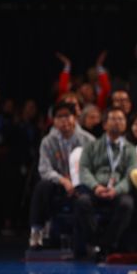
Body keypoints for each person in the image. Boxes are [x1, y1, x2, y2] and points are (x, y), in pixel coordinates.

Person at [75, 107, 137, 260]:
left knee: (127, 205)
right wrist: (96, 186)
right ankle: (95, 242)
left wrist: (116, 190)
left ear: (125, 125)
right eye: (113, 118)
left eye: (121, 119)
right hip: (96, 188)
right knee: (82, 202)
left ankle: (105, 244)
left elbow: (131, 174)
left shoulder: (130, 149)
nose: (117, 122)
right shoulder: (92, 146)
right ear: (104, 124)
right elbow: (84, 170)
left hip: (118, 191)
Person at [29, 101, 93, 249]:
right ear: (54, 120)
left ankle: (88, 239)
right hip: (58, 184)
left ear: (75, 118)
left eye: (67, 116)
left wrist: (78, 179)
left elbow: (94, 166)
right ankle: (37, 230)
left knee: (86, 196)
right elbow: (44, 169)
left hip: (82, 183)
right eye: (59, 116)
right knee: (42, 186)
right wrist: (63, 180)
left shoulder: (88, 140)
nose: (64, 120)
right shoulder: (47, 141)